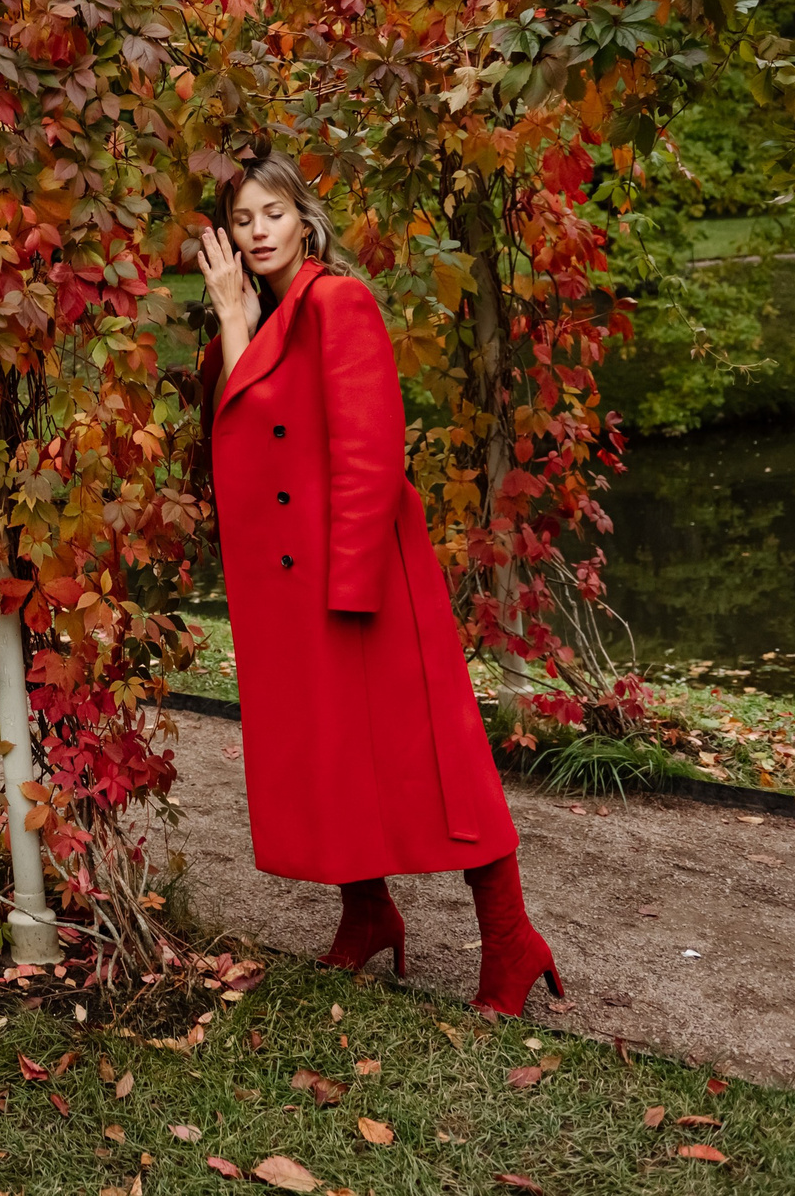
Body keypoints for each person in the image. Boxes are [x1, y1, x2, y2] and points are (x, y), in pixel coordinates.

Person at [192, 147, 562, 1017]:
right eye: (241, 220)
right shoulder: (262, 317)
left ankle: (511, 939)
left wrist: (350, 584)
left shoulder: (338, 301)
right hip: (295, 585)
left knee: (439, 763)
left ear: (304, 218)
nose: (257, 231)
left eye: (271, 213)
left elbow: (369, 451)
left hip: (361, 578)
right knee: (332, 755)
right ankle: (368, 912)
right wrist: (233, 323)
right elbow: (239, 449)